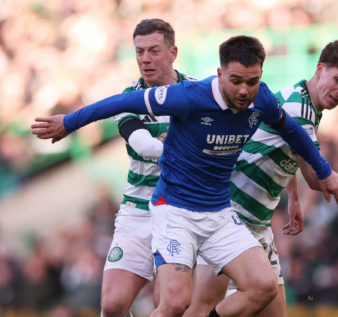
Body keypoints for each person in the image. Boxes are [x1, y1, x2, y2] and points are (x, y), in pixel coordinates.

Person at [31, 35, 338, 317]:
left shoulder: (262, 98)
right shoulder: (189, 96)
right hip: (176, 212)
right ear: (220, 73)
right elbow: (119, 102)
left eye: (251, 81)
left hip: (221, 214)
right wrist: (69, 122)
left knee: (263, 286)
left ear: (261, 77)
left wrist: (324, 172)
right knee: (174, 305)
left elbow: (293, 133)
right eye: (235, 80)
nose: (243, 90)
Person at [183, 39, 338, 317]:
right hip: (230, 215)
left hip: (256, 222)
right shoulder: (299, 109)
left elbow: (287, 148)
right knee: (206, 306)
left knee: (274, 312)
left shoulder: (302, 101)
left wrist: (293, 198)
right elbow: (318, 179)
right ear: (320, 68)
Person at [101, 19, 198, 317]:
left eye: (154, 50)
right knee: (113, 304)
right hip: (138, 209)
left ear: (173, 53)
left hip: (182, 212)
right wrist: (175, 148)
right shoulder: (129, 98)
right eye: (139, 51)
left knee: (168, 303)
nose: (145, 59)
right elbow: (142, 144)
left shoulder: (199, 93)